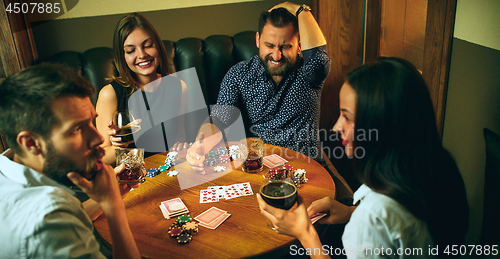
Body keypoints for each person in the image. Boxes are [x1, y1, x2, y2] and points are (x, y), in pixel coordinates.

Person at [257, 57, 469, 258]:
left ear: (381, 127)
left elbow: (382, 220)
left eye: (347, 117)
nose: (336, 127)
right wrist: (350, 211)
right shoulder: (440, 165)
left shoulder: (371, 220)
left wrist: (305, 235)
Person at [0, 63, 141, 258]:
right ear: (31, 143)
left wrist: (106, 199)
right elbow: (57, 217)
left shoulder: (7, 164)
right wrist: (114, 206)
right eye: (76, 128)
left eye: (92, 121)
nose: (99, 139)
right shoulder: (50, 222)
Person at [186, 2, 330, 174]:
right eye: (269, 45)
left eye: (285, 46)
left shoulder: (310, 73)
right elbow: (219, 119)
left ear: (299, 45)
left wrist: (300, 9)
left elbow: (320, 58)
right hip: (260, 171)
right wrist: (201, 144)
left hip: (308, 170)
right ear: (257, 40)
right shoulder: (239, 74)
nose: (277, 55)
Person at [96, 12, 190, 165]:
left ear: (158, 46)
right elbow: (99, 159)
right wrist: (120, 146)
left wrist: (183, 148)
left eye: (147, 46)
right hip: (132, 181)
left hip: (168, 172)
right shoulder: (110, 94)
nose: (142, 55)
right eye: (131, 50)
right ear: (122, 56)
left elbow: (179, 141)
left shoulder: (178, 86)